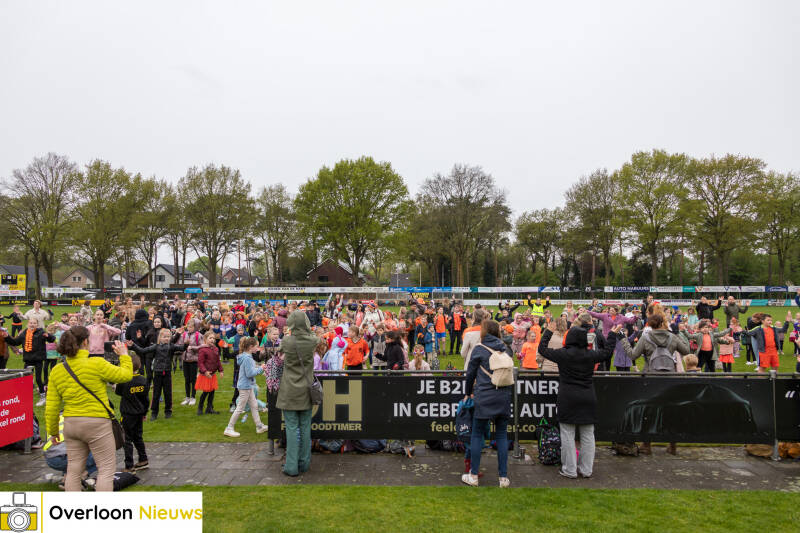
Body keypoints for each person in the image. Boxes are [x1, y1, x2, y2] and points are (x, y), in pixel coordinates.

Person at [45, 328, 132, 492]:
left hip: (71, 424)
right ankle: (101, 512)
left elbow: (52, 406)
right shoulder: (96, 363)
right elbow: (126, 375)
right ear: (85, 342)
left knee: (73, 470)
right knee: (106, 470)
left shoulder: (57, 370)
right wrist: (124, 356)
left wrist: (53, 431)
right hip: (96, 422)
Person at [538, 320, 621, 478]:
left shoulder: (563, 354)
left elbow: (542, 349)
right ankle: (586, 469)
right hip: (587, 397)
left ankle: (570, 469)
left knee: (568, 434)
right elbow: (608, 352)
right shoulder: (590, 355)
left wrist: (548, 331)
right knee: (588, 434)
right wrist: (612, 335)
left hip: (567, 397)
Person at [620, 313, 690, 455]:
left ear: (650, 324)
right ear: (663, 323)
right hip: (669, 377)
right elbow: (686, 350)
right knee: (670, 411)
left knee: (648, 411)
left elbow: (633, 355)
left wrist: (624, 341)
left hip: (651, 377)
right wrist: (679, 335)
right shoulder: (672, 337)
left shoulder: (646, 338)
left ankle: (647, 444)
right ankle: (672, 444)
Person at [462, 320, 514, 488]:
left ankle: (474, 475)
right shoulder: (505, 348)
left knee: (477, 434)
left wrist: (467, 392)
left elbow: (470, 374)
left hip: (484, 395)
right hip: (503, 395)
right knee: (501, 435)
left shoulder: (479, 349)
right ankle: (503, 478)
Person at [276, 311, 317, 477]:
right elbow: (314, 335)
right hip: (306, 389)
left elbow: (278, 351)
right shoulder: (312, 340)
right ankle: (304, 463)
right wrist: (307, 329)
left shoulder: (287, 340)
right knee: (305, 427)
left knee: (291, 429)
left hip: (289, 390)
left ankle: (291, 466)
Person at [128, 329, 182, 420]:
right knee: (156, 393)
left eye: (168, 337)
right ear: (160, 338)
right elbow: (142, 350)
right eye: (164, 337)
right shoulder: (155, 347)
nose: (166, 338)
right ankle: (154, 412)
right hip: (157, 372)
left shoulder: (171, 346)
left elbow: (182, 348)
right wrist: (133, 346)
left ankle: (168, 410)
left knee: (168, 393)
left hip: (167, 372)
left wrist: (187, 344)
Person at [224, 337, 269, 437]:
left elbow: (249, 370)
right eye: (256, 346)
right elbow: (250, 373)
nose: (258, 349)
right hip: (245, 386)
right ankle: (229, 428)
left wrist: (258, 367)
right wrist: (261, 368)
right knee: (240, 408)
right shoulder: (247, 358)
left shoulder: (246, 356)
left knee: (254, 406)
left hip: (248, 386)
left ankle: (259, 426)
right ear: (250, 347)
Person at [6, 317, 55, 406]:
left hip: (38, 360)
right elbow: (15, 342)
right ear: (28, 324)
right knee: (25, 379)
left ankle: (42, 397)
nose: (32, 324)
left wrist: (48, 336)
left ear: (37, 324)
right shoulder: (24, 333)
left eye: (34, 323)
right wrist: (7, 337)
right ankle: (25, 396)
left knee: (38, 379)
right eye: (31, 323)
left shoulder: (41, 332)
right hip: (28, 359)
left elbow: (52, 339)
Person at [114, 355, 149, 472]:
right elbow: (146, 399)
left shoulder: (124, 381)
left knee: (127, 439)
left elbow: (118, 392)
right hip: (139, 412)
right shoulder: (143, 380)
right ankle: (143, 459)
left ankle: (129, 465)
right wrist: (145, 411)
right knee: (138, 436)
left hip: (128, 413)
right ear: (139, 366)